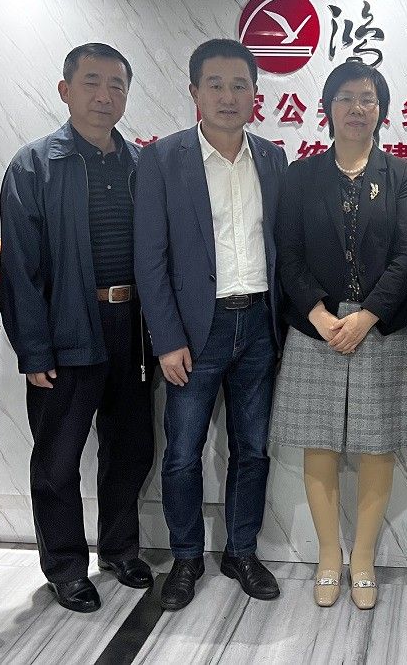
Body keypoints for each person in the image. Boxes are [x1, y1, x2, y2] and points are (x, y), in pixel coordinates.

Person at [0, 43, 154, 613]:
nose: (104, 95)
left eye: (116, 85)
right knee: (58, 460)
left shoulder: (141, 164)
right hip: (67, 329)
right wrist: (34, 348)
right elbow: (20, 268)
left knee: (130, 449)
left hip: (133, 330)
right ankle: (65, 568)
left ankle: (120, 550)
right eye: (91, 82)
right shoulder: (34, 166)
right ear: (65, 90)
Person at [134, 39, 287, 610]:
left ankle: (242, 552)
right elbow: (150, 258)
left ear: (255, 94)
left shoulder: (272, 158)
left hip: (260, 324)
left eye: (240, 85)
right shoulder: (162, 159)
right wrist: (167, 339)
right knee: (183, 452)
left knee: (253, 449)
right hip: (196, 332)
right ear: (194, 91)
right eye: (216, 85)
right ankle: (186, 557)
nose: (228, 96)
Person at [270, 61, 407, 610]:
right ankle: (328, 556)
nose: (357, 108)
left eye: (367, 98)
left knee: (377, 445)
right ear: (328, 107)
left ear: (381, 110)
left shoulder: (401, 174)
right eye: (345, 98)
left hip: (379, 328)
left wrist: (368, 315)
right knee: (320, 444)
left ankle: (362, 559)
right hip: (317, 327)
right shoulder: (301, 175)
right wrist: (317, 313)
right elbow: (287, 253)